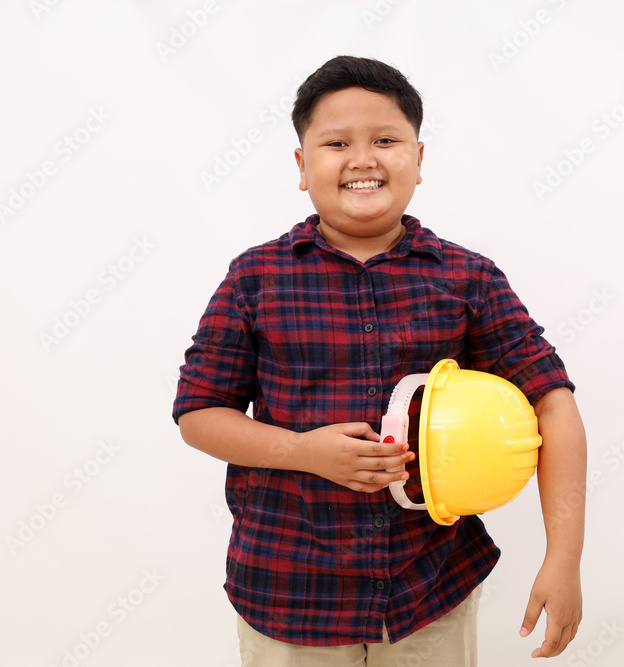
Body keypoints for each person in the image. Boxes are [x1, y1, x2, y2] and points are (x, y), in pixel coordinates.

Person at [173, 55, 587, 666]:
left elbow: (554, 404)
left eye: (386, 140)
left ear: (418, 160)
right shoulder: (254, 278)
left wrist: (564, 559)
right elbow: (199, 413)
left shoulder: (467, 278)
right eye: (336, 142)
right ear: (301, 165)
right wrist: (303, 451)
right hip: (288, 591)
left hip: (429, 592)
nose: (363, 159)